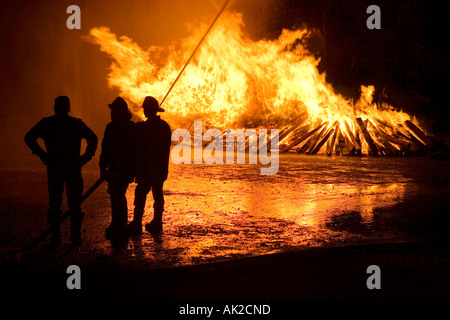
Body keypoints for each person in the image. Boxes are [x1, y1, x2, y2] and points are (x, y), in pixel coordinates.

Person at [24, 96, 98, 246]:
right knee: (75, 205)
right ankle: (75, 238)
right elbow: (93, 139)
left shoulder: (47, 123)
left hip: (55, 168)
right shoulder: (75, 124)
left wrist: (43, 155)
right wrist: (85, 157)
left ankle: (56, 238)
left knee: (55, 205)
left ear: (55, 108)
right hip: (73, 169)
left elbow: (29, 137)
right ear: (68, 108)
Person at [128, 96, 171, 235]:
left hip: (147, 168)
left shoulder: (145, 127)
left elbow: (139, 144)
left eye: (146, 109)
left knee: (141, 194)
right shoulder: (164, 126)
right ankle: (157, 222)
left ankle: (137, 222)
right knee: (157, 193)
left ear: (149, 111)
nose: (145, 111)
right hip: (159, 168)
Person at [99, 97, 135, 244]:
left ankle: (120, 226)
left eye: (114, 111)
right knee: (116, 196)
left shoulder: (130, 128)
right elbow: (105, 149)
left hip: (125, 169)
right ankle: (118, 224)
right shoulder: (112, 127)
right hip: (115, 168)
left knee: (118, 195)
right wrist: (103, 167)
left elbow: (136, 149)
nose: (112, 113)